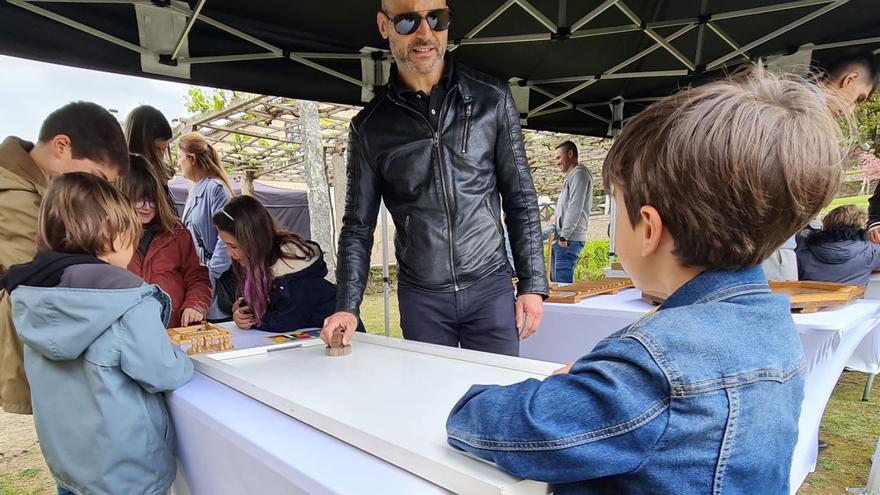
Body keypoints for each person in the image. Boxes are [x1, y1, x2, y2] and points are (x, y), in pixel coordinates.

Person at [445, 66, 847, 493]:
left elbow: (493, 425)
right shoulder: (774, 325)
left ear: (649, 229)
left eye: (617, 207)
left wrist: (563, 386)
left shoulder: (651, 367)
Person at [322, 0, 548, 356]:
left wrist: (533, 283)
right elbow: (357, 226)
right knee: (430, 407)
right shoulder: (369, 127)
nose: (425, 33)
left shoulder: (492, 99)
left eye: (436, 18)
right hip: (422, 298)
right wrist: (348, 305)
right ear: (385, 26)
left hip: (490, 286)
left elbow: (520, 197)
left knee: (498, 403)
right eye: (408, 21)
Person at [0, 172, 192, 495]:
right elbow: (163, 371)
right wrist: (182, 357)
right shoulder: (129, 301)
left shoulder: (29, 296)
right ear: (115, 237)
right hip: (126, 473)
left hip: (69, 468)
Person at [0, 101, 129, 415]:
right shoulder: (12, 194)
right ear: (61, 146)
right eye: (97, 176)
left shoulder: (40, 188)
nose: (96, 191)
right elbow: (41, 275)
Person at [764, 51, 878, 279]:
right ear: (850, 79)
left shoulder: (782, 100)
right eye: (859, 99)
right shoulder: (802, 114)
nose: (853, 110)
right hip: (766, 248)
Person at [214, 195, 349, 333]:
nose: (229, 253)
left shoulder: (296, 276)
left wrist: (252, 320)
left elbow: (283, 322)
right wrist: (242, 312)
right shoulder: (260, 266)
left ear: (253, 242)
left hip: (347, 339)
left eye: (233, 246)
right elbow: (269, 306)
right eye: (226, 245)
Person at [118, 154, 212, 327]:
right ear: (122, 197)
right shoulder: (107, 237)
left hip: (174, 332)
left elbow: (198, 277)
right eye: (139, 199)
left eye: (152, 199)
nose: (147, 206)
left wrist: (195, 305)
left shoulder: (177, 232)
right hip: (125, 336)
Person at [178, 131, 234, 320]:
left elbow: (226, 237)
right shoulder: (195, 190)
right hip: (198, 278)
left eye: (180, 157)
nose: (178, 162)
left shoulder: (214, 189)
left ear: (192, 159)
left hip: (214, 282)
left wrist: (211, 273)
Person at [797, 205, 880, 285]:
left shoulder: (803, 249)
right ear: (860, 228)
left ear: (826, 224)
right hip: (852, 299)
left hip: (811, 298)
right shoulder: (870, 253)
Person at [551, 141, 593, 283]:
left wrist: (564, 236)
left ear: (570, 154)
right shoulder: (572, 176)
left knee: (563, 289)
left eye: (558, 158)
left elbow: (575, 207)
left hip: (568, 239)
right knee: (557, 285)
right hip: (563, 238)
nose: (556, 163)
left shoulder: (579, 174)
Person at [125, 105, 176, 207]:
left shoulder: (161, 177)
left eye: (164, 149)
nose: (161, 155)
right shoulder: (120, 179)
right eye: (157, 148)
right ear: (138, 144)